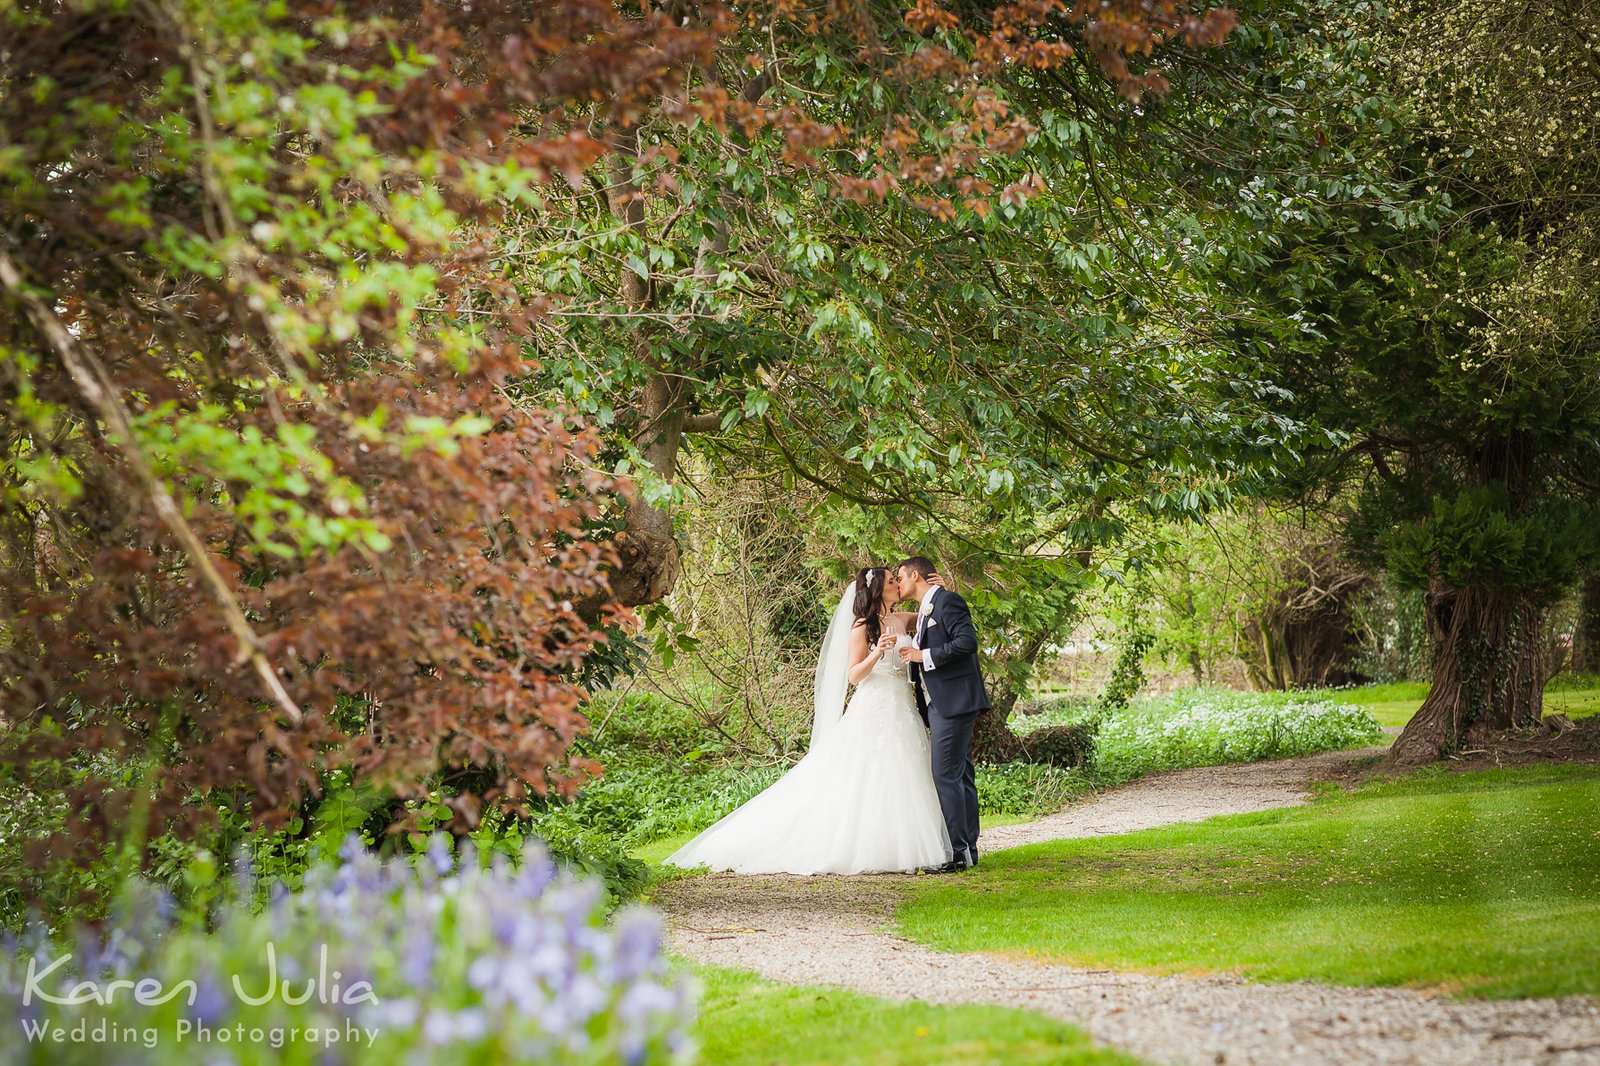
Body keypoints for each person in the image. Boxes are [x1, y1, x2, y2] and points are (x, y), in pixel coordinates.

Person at [662, 566, 953, 875]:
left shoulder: (902, 619)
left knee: (906, 769)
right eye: (892, 581)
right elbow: (854, 675)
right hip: (875, 704)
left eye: (898, 580)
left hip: (902, 704)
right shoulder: (860, 626)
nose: (898, 584)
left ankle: (905, 843)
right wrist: (876, 654)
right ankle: (869, 845)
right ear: (878, 589)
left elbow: (932, 610)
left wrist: (943, 588)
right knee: (872, 771)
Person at [896, 555, 988, 871]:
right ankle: (967, 850)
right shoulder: (926, 608)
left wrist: (924, 655)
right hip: (940, 701)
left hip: (954, 701)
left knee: (945, 774)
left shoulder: (948, 602)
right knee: (959, 773)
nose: (899, 583)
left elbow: (967, 642)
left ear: (915, 575)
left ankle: (957, 853)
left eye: (901, 577)